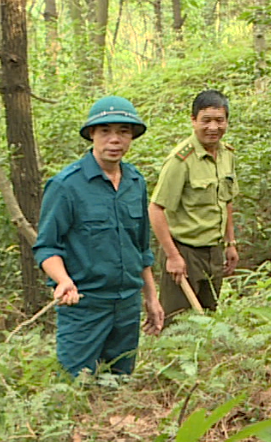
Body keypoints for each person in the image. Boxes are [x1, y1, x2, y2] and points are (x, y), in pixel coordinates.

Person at [34, 95, 164, 378]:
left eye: (123, 132)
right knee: (75, 387)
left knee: (119, 385)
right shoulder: (65, 185)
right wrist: (63, 281)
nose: (114, 140)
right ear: (92, 134)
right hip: (84, 305)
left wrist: (151, 298)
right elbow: (46, 246)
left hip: (127, 305)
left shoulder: (135, 182)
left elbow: (141, 248)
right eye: (105, 131)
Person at [151, 90, 238, 318]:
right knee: (177, 323)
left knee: (209, 317)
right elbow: (156, 209)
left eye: (219, 120)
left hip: (214, 251)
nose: (213, 127)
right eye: (206, 120)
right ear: (193, 121)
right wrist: (172, 256)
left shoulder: (226, 155)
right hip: (184, 251)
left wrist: (230, 242)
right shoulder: (181, 160)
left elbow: (226, 201)